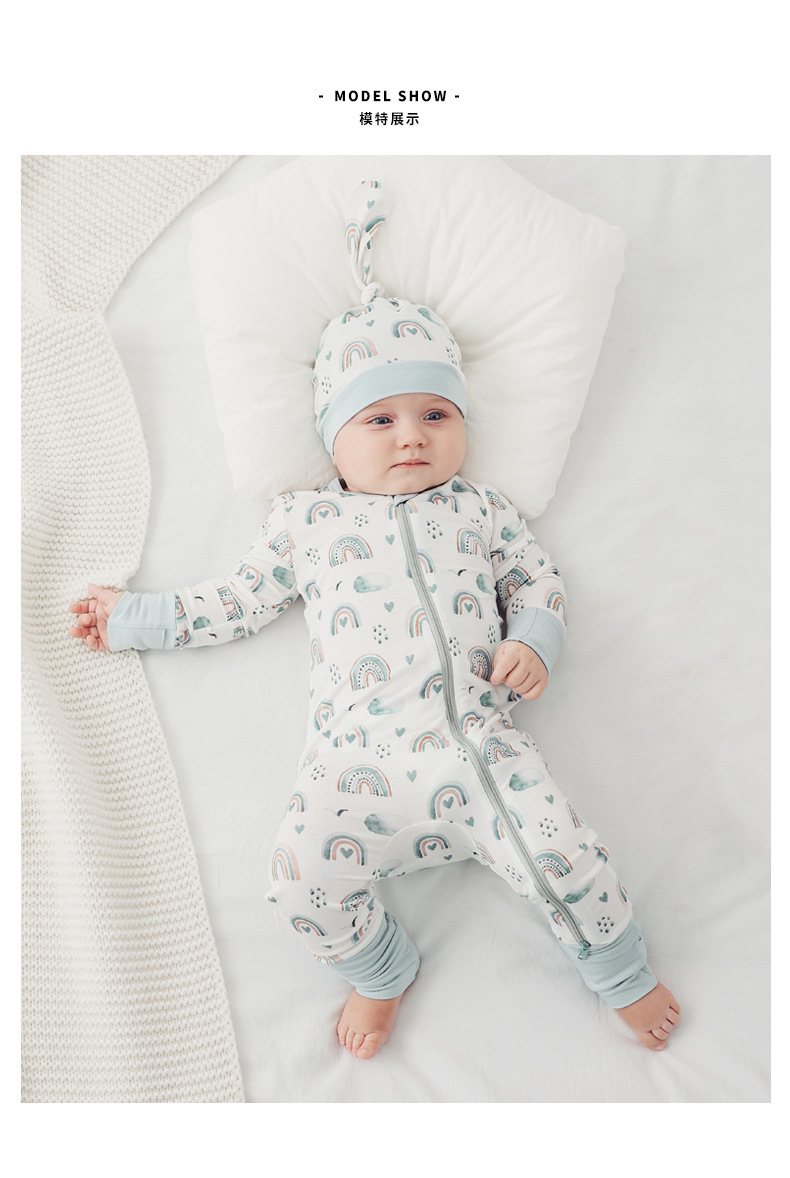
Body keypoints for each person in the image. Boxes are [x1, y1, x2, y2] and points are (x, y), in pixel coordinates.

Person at [69, 181, 680, 1062]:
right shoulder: (307, 521)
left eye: (436, 414)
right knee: (296, 882)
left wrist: (532, 639)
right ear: (332, 438)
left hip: (479, 751)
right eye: (379, 418)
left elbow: (538, 582)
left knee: (566, 858)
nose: (411, 436)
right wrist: (138, 619)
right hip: (353, 768)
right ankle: (380, 968)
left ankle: (621, 973)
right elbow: (236, 600)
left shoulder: (481, 510)